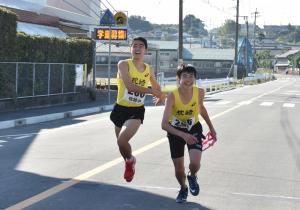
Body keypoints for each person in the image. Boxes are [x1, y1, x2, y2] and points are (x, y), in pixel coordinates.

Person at [110, 37, 165, 182]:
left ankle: (129, 161)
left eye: (141, 46)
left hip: (136, 110)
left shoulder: (148, 69)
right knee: (121, 145)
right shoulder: (123, 64)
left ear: (145, 50)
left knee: (122, 140)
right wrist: (151, 91)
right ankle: (129, 161)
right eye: (134, 46)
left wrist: (160, 95)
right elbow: (129, 86)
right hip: (120, 109)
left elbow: (156, 87)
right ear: (131, 49)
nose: (138, 48)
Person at [161, 64, 216, 203]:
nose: (188, 79)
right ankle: (183, 187)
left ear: (195, 78)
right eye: (184, 76)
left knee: (195, 163)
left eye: (191, 76)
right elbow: (164, 124)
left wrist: (211, 127)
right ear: (178, 78)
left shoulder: (200, 92)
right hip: (175, 131)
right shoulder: (172, 96)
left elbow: (201, 108)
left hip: (194, 128)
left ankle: (192, 176)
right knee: (179, 169)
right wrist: (183, 135)